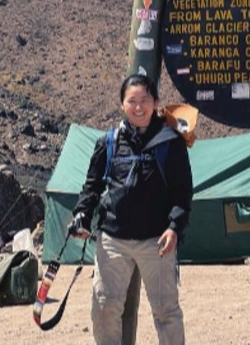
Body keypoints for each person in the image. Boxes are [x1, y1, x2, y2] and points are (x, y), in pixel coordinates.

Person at [70, 74, 193, 345]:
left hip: (157, 241)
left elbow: (182, 192)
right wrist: (82, 215)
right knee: (104, 308)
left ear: (155, 102)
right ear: (122, 105)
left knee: (166, 312)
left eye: (145, 100)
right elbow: (91, 187)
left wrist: (174, 227)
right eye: (132, 101)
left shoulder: (171, 143)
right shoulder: (108, 142)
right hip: (113, 240)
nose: (139, 107)